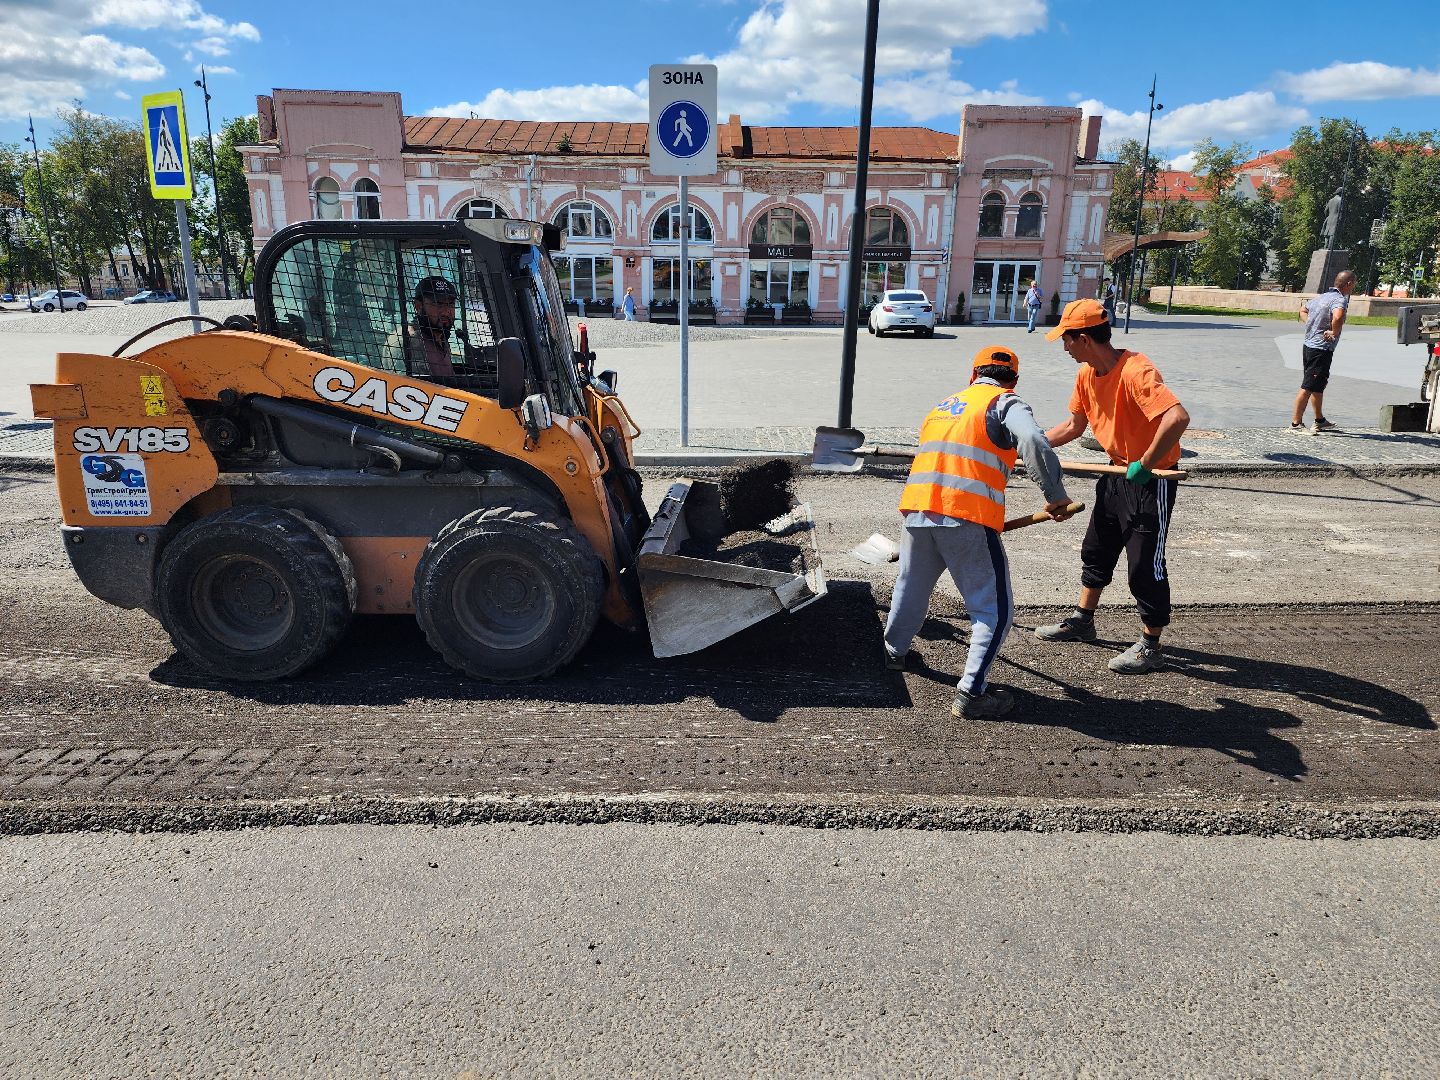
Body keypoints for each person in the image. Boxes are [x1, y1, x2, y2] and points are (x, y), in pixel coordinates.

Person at [883, 345, 1075, 720]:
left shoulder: (943, 406)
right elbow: (1033, 441)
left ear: (973, 375)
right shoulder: (1005, 402)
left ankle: (894, 653)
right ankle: (972, 693)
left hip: (918, 509)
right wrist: (1056, 495)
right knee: (994, 610)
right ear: (1013, 380)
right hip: (966, 515)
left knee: (911, 587)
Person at [1036, 299, 1191, 675]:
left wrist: (1146, 463)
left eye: (1066, 339)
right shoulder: (1086, 375)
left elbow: (1177, 417)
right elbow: (1073, 427)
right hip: (1116, 472)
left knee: (1144, 565)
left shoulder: (1136, 370)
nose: (1064, 347)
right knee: (1097, 549)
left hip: (1152, 479)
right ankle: (1083, 620)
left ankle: (1151, 646)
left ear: (1084, 339)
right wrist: (1029, 446)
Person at [1291, 270, 1355, 434]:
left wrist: (1310, 324)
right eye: (1353, 284)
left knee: (1317, 385)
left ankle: (1320, 421)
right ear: (1348, 284)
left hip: (1309, 346)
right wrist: (1334, 332)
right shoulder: (1339, 299)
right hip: (1321, 349)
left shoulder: (1322, 297)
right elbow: (1338, 316)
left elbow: (1303, 310)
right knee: (1308, 386)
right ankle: (1296, 424)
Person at [393, 276, 460, 377]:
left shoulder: (440, 336)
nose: (446, 312)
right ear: (418, 306)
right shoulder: (408, 342)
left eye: (451, 304)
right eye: (438, 304)